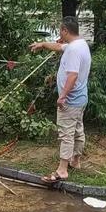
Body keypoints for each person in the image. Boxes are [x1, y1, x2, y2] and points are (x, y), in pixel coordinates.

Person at [30, 16, 91, 183]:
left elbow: (72, 76)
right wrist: (42, 44)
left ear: (65, 30)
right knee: (78, 129)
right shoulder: (80, 44)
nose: (59, 32)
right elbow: (58, 46)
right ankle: (75, 160)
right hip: (81, 98)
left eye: (60, 30)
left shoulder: (73, 50)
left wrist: (62, 97)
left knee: (66, 134)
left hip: (70, 101)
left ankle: (62, 170)